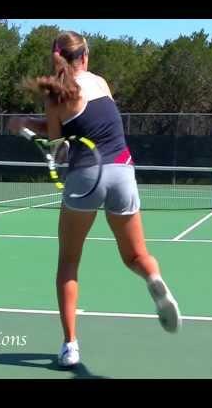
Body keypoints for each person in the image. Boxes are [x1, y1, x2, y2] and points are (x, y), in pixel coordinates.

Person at [12, 31, 182, 368]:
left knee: (69, 262)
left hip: (85, 177)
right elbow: (90, 126)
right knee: (136, 255)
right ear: (84, 57)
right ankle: (153, 278)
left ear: (56, 58)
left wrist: (25, 123)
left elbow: (58, 145)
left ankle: (70, 345)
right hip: (122, 171)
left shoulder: (55, 100)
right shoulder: (101, 83)